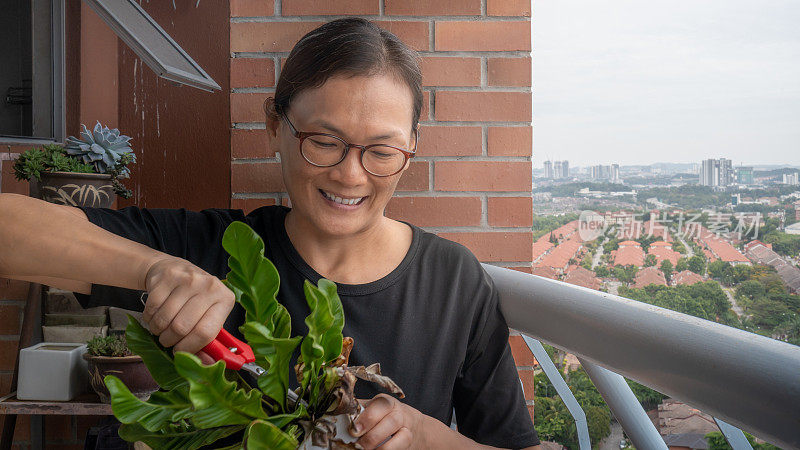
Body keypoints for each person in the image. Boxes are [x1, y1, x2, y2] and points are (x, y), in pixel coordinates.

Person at [0, 18, 540, 449]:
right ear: (274, 127)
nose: (351, 175)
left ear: (411, 150)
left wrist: (427, 437)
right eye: (323, 141)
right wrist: (154, 268)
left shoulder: (453, 281)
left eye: (381, 150)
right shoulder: (216, 248)